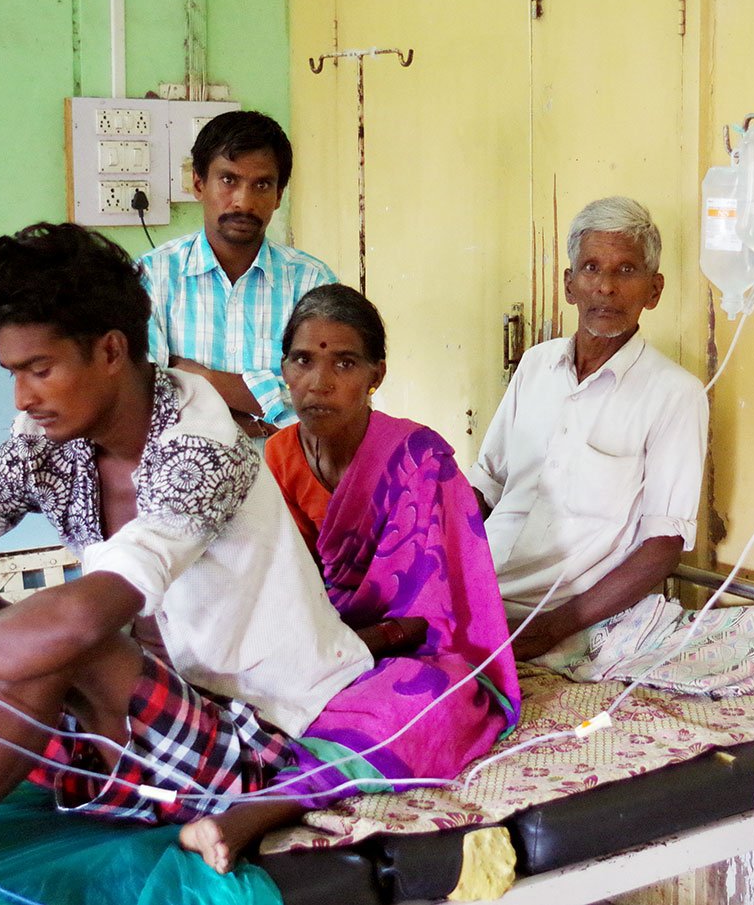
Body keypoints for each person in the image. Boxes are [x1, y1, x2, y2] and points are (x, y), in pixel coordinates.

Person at [0, 223, 373, 905]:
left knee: (62, 637)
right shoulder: (46, 439)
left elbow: (87, 617)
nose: (23, 397)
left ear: (112, 351)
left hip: (244, 741)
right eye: (14, 374)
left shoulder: (204, 445)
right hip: (121, 734)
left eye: (40, 369)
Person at [179, 284, 522, 874]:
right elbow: (266, 595)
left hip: (407, 652)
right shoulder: (271, 462)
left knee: (426, 709)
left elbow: (429, 619)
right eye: (303, 360)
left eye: (345, 362)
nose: (319, 381)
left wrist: (348, 648)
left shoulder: (420, 457)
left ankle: (259, 809)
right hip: (312, 643)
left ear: (375, 375)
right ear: (283, 369)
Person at [466, 197, 708, 662]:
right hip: (476, 594)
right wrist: (430, 567)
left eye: (626, 270)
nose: (606, 288)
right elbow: (485, 483)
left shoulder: (675, 394)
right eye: (592, 268)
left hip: (554, 615)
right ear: (569, 284)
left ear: (653, 291)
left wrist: (548, 630)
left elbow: (662, 545)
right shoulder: (537, 364)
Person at [141, 109, 338, 439]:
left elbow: (325, 393)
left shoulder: (311, 283)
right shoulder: (153, 277)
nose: (244, 202)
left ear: (278, 196)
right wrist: (266, 419)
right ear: (199, 184)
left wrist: (204, 379)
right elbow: (145, 399)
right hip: (186, 482)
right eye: (229, 180)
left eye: (262, 184)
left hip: (288, 481)